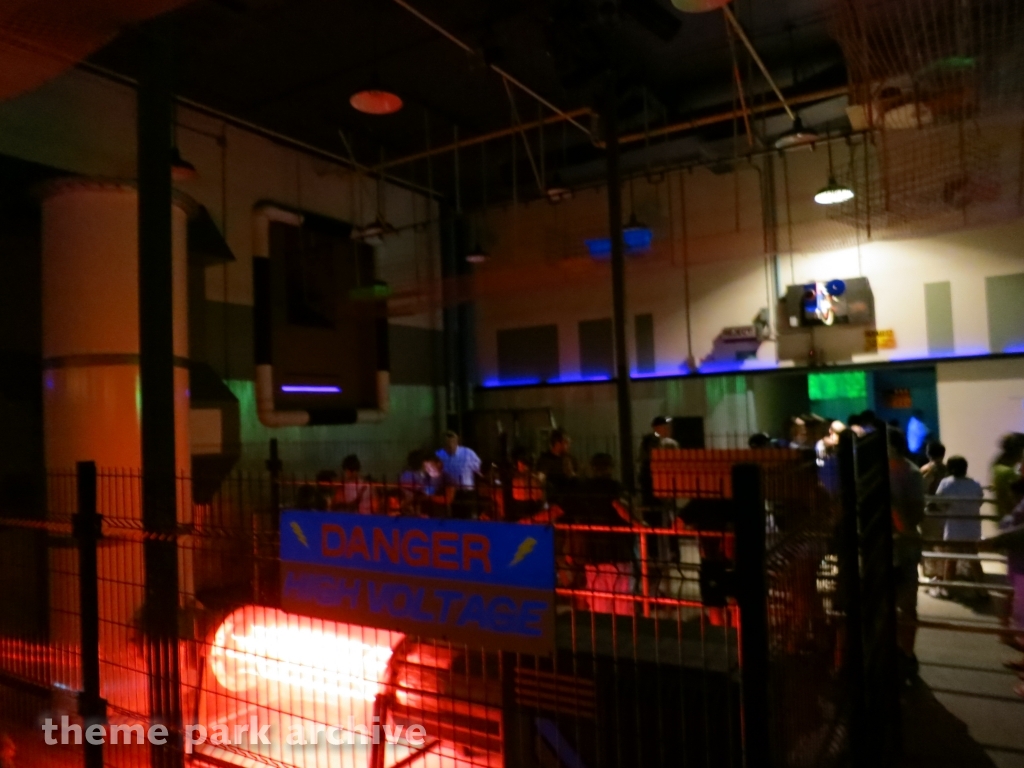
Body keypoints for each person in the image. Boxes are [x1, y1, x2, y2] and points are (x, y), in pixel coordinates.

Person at [567, 453, 641, 616]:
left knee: (598, 605)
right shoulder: (616, 488)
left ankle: (601, 630)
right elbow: (621, 507)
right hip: (618, 553)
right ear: (611, 468)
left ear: (592, 468)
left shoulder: (583, 490)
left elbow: (576, 520)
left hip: (593, 555)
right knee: (623, 604)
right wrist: (639, 524)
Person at [888, 428, 925, 683]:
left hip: (903, 548)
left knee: (906, 604)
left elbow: (914, 516)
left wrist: (894, 509)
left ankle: (906, 654)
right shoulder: (904, 472)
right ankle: (899, 653)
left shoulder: (910, 473)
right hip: (893, 547)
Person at [934, 456, 985, 599]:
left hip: (954, 526)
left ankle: (947, 589)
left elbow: (939, 503)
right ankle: (982, 590)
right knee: (974, 559)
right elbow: (980, 501)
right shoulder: (975, 484)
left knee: (951, 559)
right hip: (973, 527)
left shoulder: (946, 483)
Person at [436, 431, 482, 518]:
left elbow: (479, 469)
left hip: (466, 491)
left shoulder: (468, 453)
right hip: (450, 492)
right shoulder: (439, 454)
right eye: (447, 443)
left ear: (457, 442)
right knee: (454, 517)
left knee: (468, 517)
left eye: (452, 442)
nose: (450, 445)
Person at [920, 441, 949, 580]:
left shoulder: (925, 470)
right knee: (943, 543)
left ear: (928, 453)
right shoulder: (948, 470)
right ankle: (943, 572)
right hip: (944, 511)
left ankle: (932, 573)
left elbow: (922, 489)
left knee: (928, 543)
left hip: (929, 510)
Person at [536, 429, 580, 504]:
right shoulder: (545, 459)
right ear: (557, 443)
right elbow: (541, 479)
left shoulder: (570, 459)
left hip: (570, 496)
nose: (569, 446)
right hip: (553, 497)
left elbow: (576, 477)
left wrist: (571, 473)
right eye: (566, 443)